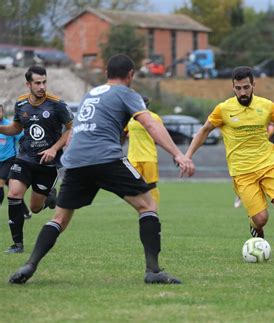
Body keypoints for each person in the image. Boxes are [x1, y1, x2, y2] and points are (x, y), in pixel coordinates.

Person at [8, 54, 195, 285]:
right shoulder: (127, 93)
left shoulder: (91, 93)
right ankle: (153, 270)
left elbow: (80, 129)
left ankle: (30, 264)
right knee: (147, 205)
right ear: (131, 75)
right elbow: (150, 123)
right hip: (105, 157)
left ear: (106, 74)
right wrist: (178, 154)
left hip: (75, 160)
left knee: (59, 218)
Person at [185, 66, 274, 261]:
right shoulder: (223, 109)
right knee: (261, 219)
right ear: (233, 87)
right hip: (242, 171)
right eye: (238, 88)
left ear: (253, 85)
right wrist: (188, 155)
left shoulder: (267, 105)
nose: (242, 92)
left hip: (268, 164)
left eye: (246, 87)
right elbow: (204, 130)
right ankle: (255, 227)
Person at [0, 66, 72, 254]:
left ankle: (49, 195)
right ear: (28, 84)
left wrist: (54, 148)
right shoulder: (21, 103)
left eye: (44, 82)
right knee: (14, 195)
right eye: (37, 83)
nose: (42, 86)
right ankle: (17, 244)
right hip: (24, 158)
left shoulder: (57, 104)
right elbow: (16, 128)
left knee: (35, 207)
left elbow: (71, 129)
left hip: (46, 163)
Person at [124, 96, 161, 204]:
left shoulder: (155, 117)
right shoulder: (130, 119)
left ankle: (153, 208)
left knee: (151, 184)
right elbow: (124, 133)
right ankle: (142, 207)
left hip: (149, 156)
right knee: (131, 184)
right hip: (133, 158)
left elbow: (161, 135)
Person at [0, 104, 27, 216]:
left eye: (0, 111)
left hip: (9, 159)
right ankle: (25, 212)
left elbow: (22, 138)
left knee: (0, 183)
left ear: (3, 112)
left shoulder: (10, 125)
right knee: (13, 189)